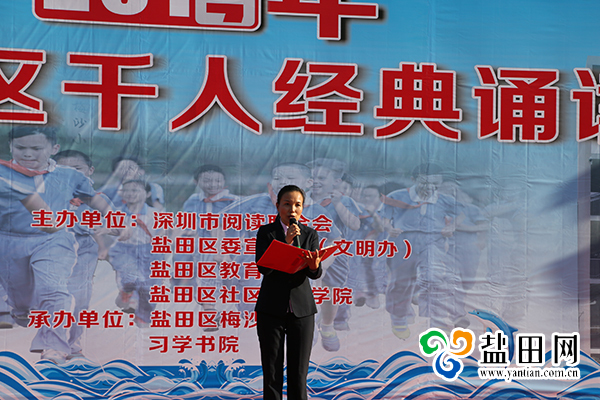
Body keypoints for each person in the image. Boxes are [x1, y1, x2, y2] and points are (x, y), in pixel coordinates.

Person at [0, 126, 118, 364]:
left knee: (54, 289)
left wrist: (114, 219)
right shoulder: (4, 174)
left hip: (53, 239)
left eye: (36, 148)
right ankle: (20, 309)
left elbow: (94, 198)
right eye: (21, 148)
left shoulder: (70, 176)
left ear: (54, 148)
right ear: (10, 146)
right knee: (20, 297)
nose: (28, 154)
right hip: (10, 241)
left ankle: (53, 347)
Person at [255, 185, 323, 400]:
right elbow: (264, 267)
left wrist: (314, 265)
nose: (292, 210)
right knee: (272, 372)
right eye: (287, 204)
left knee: (299, 373)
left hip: (302, 310)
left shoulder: (310, 233)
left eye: (297, 205)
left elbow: (315, 274)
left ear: (303, 208)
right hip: (271, 309)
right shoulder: (266, 232)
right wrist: (286, 243)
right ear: (277, 206)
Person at [54, 150, 114, 358]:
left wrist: (105, 229)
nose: (71, 174)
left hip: (83, 257)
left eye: (77, 169)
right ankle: (52, 346)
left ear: (90, 170)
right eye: (64, 170)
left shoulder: (99, 199)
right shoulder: (46, 195)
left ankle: (74, 345)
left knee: (79, 301)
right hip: (53, 255)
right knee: (54, 300)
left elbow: (117, 226)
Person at [108, 179, 163, 327]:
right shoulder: (116, 213)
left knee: (149, 287)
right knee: (132, 276)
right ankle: (128, 292)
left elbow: (164, 233)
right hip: (124, 249)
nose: (130, 194)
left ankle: (143, 315)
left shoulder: (156, 214)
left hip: (150, 252)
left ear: (148, 194)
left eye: (135, 190)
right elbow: (108, 231)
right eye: (126, 190)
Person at [99, 155, 165, 210]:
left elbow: (158, 208)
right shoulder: (106, 190)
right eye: (122, 168)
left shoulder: (153, 187)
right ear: (114, 173)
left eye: (131, 168)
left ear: (141, 171)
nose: (126, 171)